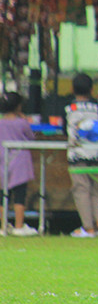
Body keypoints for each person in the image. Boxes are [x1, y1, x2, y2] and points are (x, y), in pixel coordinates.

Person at [63, 74, 98, 238]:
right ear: (92, 89)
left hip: (77, 153)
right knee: (95, 189)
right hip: (95, 153)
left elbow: (64, 129)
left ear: (72, 89)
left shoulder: (68, 108)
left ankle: (88, 228)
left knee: (81, 189)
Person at [0, 92, 37, 236]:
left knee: (3, 195)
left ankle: (3, 226)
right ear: (18, 106)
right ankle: (19, 226)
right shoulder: (22, 122)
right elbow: (31, 138)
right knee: (20, 195)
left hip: (3, 161)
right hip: (20, 162)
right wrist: (25, 119)